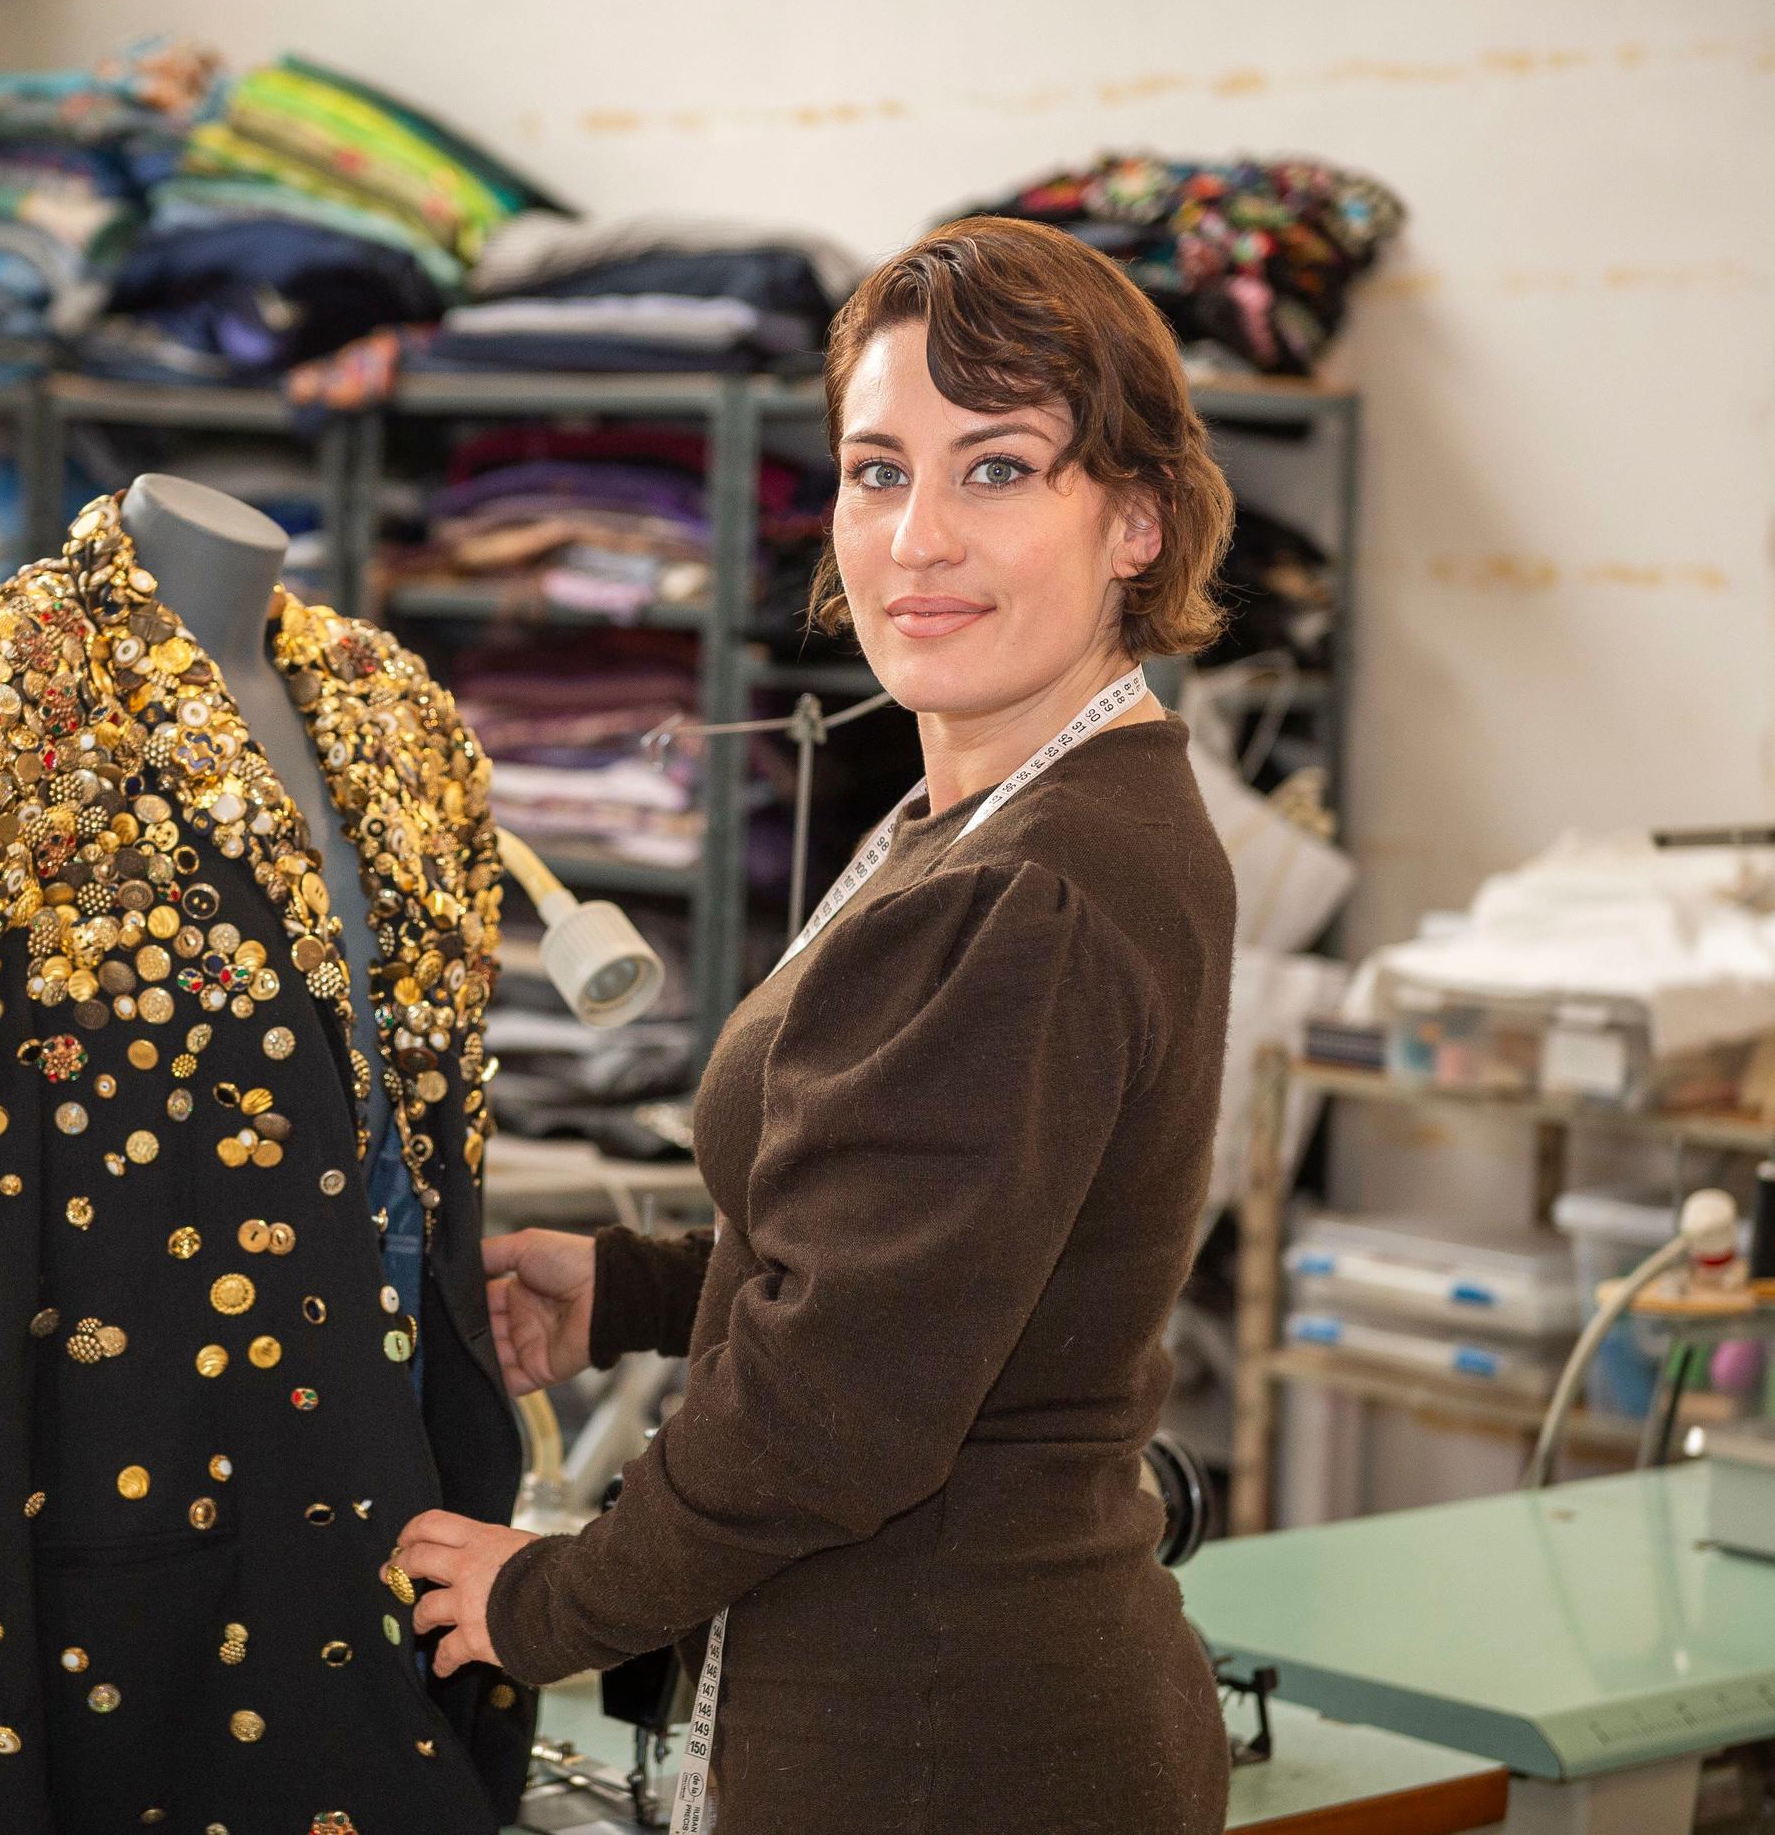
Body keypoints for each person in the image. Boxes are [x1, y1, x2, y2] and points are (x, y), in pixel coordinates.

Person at [392, 215, 1243, 1832]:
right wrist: (638, 1287)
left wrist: (550, 1603)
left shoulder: (1037, 882)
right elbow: (931, 1265)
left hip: (950, 1746)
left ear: (1135, 517)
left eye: (997, 470)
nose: (916, 537)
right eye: (876, 469)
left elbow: (835, 1409)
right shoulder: (1002, 811)